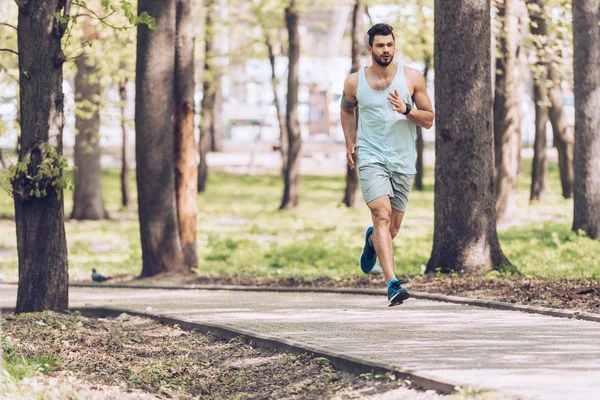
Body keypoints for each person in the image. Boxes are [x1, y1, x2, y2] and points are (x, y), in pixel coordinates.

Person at [340, 23, 434, 306]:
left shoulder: (411, 78)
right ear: (370, 49)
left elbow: (429, 119)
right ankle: (392, 283)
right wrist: (349, 142)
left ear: (395, 46)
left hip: (403, 160)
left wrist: (406, 110)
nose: (386, 50)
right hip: (371, 157)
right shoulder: (354, 82)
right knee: (380, 214)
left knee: (390, 229)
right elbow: (346, 109)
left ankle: (372, 241)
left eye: (390, 45)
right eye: (380, 45)